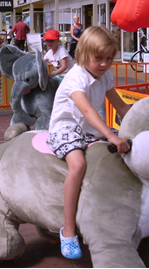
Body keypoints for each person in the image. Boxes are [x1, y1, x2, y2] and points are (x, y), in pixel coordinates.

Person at [46, 25, 131, 259]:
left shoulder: (105, 77)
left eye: (109, 58)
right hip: (67, 127)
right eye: (98, 58)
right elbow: (87, 110)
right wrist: (112, 135)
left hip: (91, 128)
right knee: (78, 165)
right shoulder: (76, 77)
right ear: (84, 54)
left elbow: (122, 106)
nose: (104, 64)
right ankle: (68, 231)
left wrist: (145, 117)